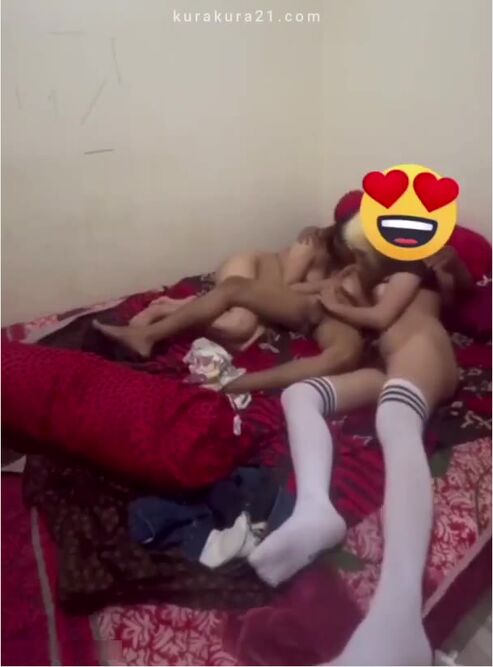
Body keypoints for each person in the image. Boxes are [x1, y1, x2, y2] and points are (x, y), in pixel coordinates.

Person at [247, 219, 471, 666]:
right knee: (300, 395)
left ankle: (399, 619)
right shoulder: (360, 271)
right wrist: (330, 281)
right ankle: (315, 510)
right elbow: (308, 291)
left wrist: (451, 266)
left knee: (396, 418)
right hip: (386, 364)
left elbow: (440, 293)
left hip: (424, 350)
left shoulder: (415, 266)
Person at [93, 225, 371, 391]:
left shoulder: (369, 266)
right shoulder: (313, 243)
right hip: (264, 277)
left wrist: (347, 299)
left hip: (306, 308)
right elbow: (290, 286)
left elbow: (371, 320)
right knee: (239, 323)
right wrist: (327, 287)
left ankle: (232, 382)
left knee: (243, 332)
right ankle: (156, 323)